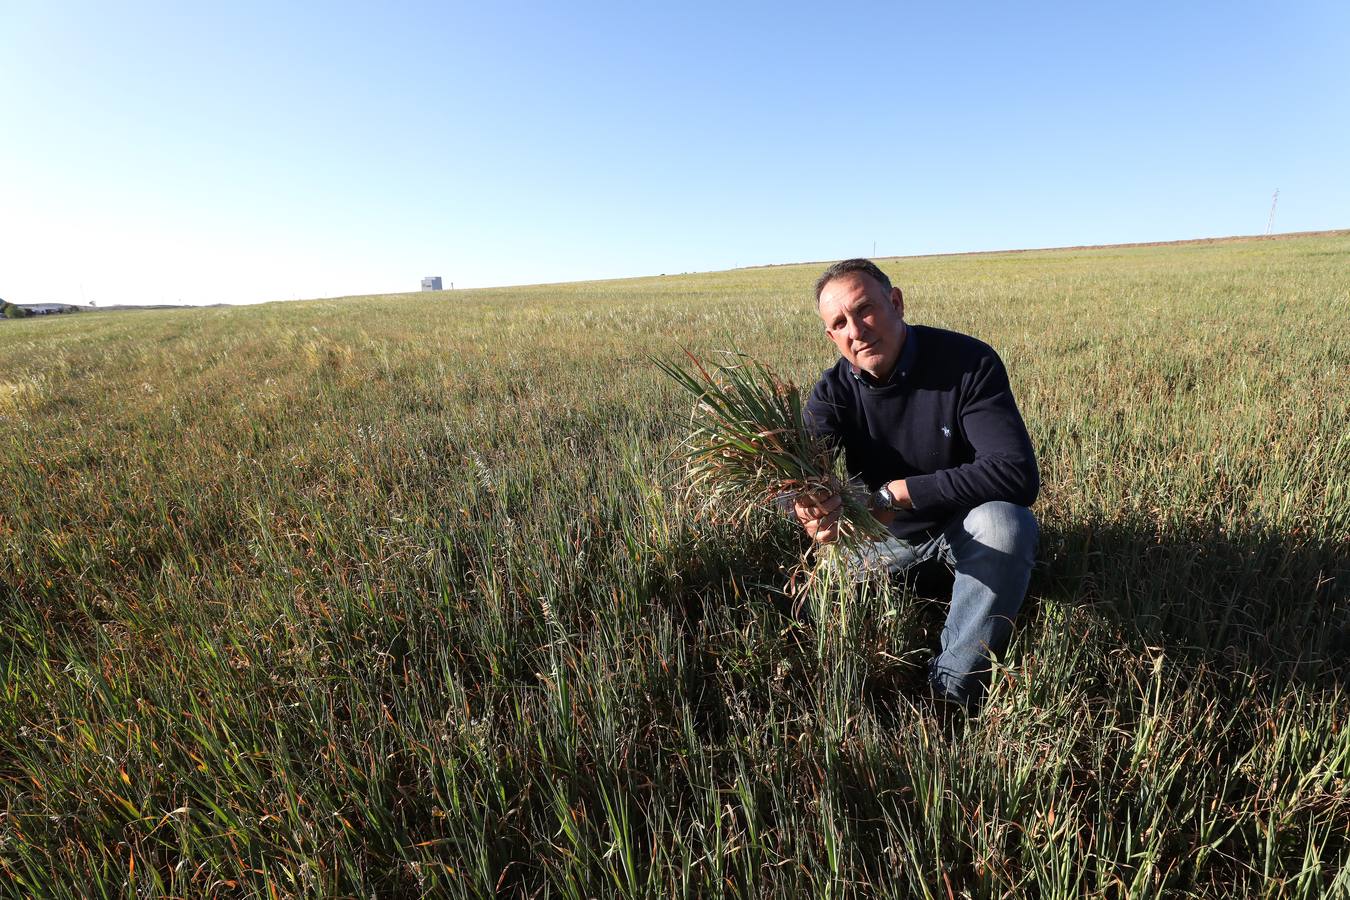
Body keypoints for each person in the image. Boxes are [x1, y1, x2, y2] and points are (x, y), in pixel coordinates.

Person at [794, 258, 1040, 707]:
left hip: (964, 530)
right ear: (831, 337)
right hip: (881, 541)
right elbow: (794, 481)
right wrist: (808, 508)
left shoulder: (967, 362)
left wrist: (899, 493)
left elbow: (1015, 472)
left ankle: (950, 696)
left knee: (1006, 525)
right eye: (840, 323)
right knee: (815, 598)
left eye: (865, 309)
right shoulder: (832, 392)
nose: (857, 330)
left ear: (896, 302)